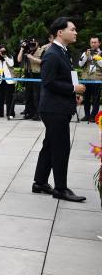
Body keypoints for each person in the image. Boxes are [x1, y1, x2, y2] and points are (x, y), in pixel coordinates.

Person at [33, 17, 86, 202]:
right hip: (54, 109)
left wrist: (75, 91)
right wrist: (73, 89)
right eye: (72, 29)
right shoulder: (52, 54)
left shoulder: (63, 51)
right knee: (61, 148)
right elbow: (48, 82)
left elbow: (69, 74)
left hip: (59, 106)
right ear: (60, 32)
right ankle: (61, 189)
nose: (76, 32)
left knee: (50, 145)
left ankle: (39, 182)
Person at [78, 35, 102, 122]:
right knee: (86, 98)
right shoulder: (85, 52)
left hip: (97, 79)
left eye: (95, 42)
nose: (93, 44)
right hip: (86, 79)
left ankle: (93, 116)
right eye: (92, 42)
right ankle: (87, 115)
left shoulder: (101, 53)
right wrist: (85, 56)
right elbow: (80, 64)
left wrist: (98, 59)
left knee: (95, 99)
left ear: (99, 43)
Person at [0, 44, 16, 119]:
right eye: (1, 50)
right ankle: (0, 113)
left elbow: (11, 64)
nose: (2, 52)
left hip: (9, 80)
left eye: (4, 51)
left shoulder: (9, 56)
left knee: (9, 98)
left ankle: (10, 113)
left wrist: (5, 56)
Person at [18, 38, 42, 120]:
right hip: (28, 74)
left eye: (34, 43)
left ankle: (38, 113)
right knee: (29, 94)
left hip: (37, 74)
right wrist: (22, 48)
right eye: (31, 43)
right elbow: (19, 59)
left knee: (37, 95)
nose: (32, 45)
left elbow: (43, 61)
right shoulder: (27, 50)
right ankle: (29, 112)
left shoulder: (42, 50)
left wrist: (31, 57)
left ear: (37, 43)